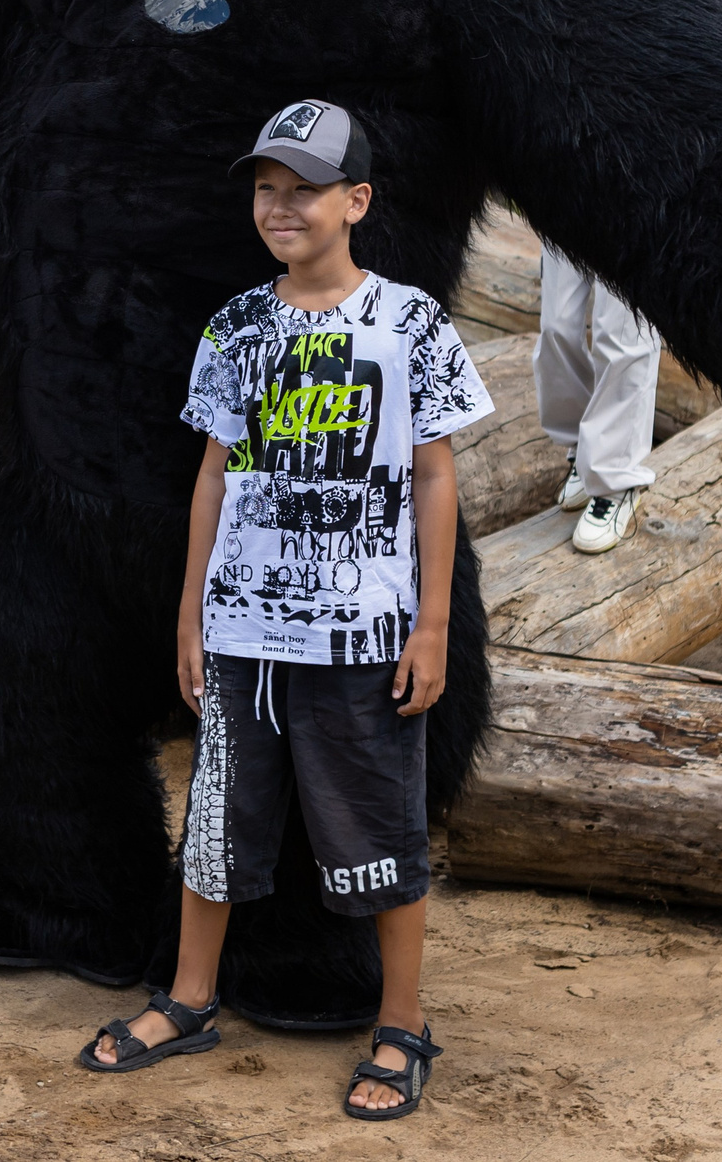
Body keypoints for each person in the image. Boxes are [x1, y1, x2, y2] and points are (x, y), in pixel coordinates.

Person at [80, 98, 492, 1122]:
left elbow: (435, 481)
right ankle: (188, 996)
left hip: (361, 631)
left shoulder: (407, 324)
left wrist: (432, 623)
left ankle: (402, 1023)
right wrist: (190, 611)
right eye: (266, 187)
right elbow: (213, 475)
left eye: (302, 187)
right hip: (241, 630)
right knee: (217, 821)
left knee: (375, 826)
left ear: (355, 200)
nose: (280, 205)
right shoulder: (237, 325)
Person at [535, 243, 660, 553]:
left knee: (623, 334)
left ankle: (616, 481)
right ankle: (584, 450)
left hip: (643, 195)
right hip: (567, 194)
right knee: (556, 325)